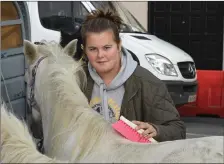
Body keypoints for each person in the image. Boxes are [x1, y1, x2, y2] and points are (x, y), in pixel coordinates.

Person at [80, 9, 186, 142]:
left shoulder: (148, 83)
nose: (100, 55)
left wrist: (156, 130)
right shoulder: (77, 80)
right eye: (93, 49)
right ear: (84, 50)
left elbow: (178, 130)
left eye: (107, 48)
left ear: (119, 46)